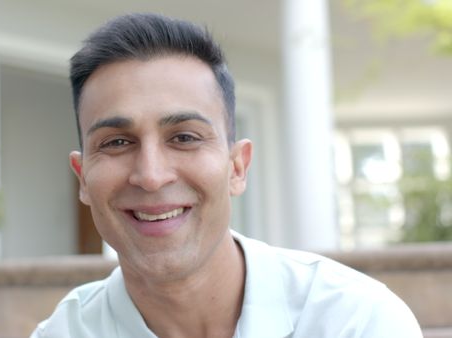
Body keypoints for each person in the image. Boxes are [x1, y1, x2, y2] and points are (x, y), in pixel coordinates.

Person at [30, 13, 423, 338]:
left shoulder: (355, 321)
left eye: (184, 137)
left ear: (237, 167)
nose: (150, 176)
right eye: (116, 142)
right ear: (83, 178)